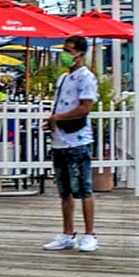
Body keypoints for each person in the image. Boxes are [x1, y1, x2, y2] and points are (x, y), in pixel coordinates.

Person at [43, 55, 101, 253]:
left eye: (69, 50)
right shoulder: (63, 79)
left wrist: (59, 118)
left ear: (80, 54)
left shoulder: (86, 78)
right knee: (64, 190)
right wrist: (52, 121)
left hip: (78, 139)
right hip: (59, 140)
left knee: (84, 188)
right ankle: (67, 233)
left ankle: (90, 234)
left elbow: (85, 108)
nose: (65, 55)